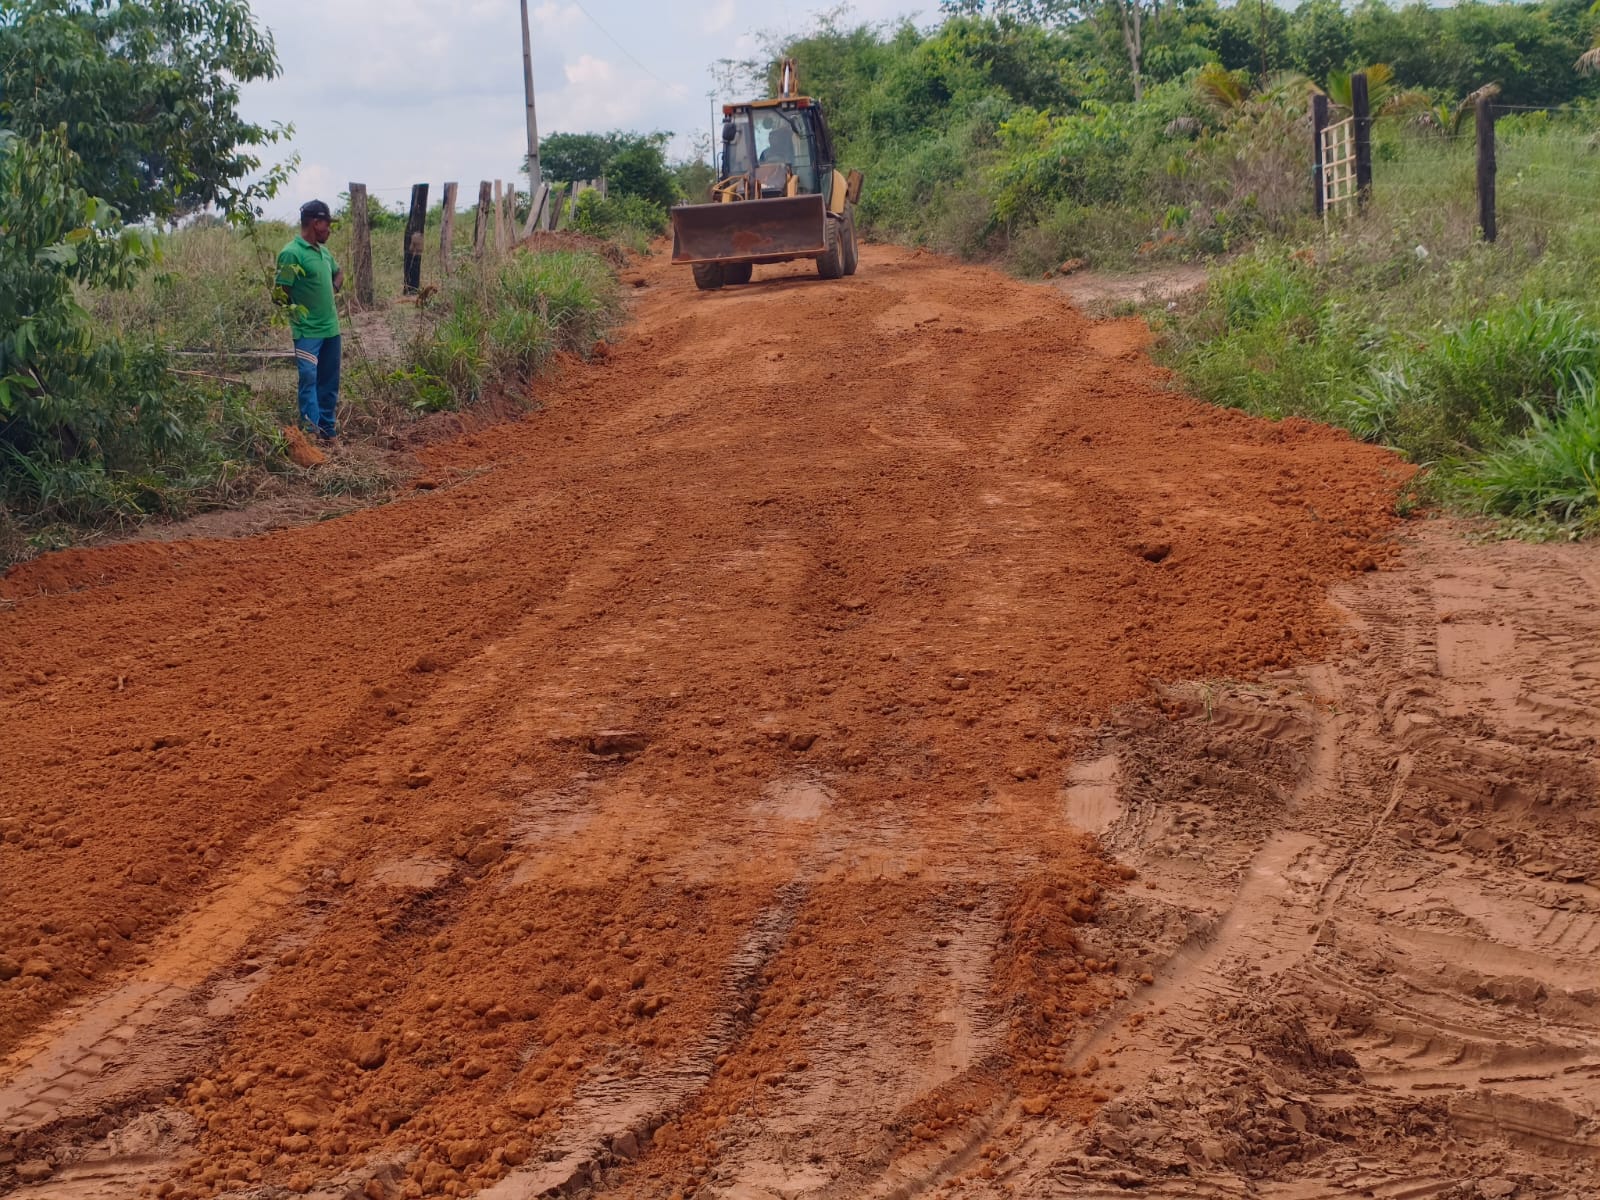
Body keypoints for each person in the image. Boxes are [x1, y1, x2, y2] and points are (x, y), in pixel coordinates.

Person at [274, 199, 344, 443]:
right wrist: (300, 318)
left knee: (329, 382)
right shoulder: (291, 253)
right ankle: (311, 435)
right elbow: (280, 293)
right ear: (316, 223)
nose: (329, 230)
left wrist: (333, 288)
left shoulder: (324, 252)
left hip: (331, 331)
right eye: (327, 224)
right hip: (307, 333)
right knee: (309, 380)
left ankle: (328, 431)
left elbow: (339, 271)